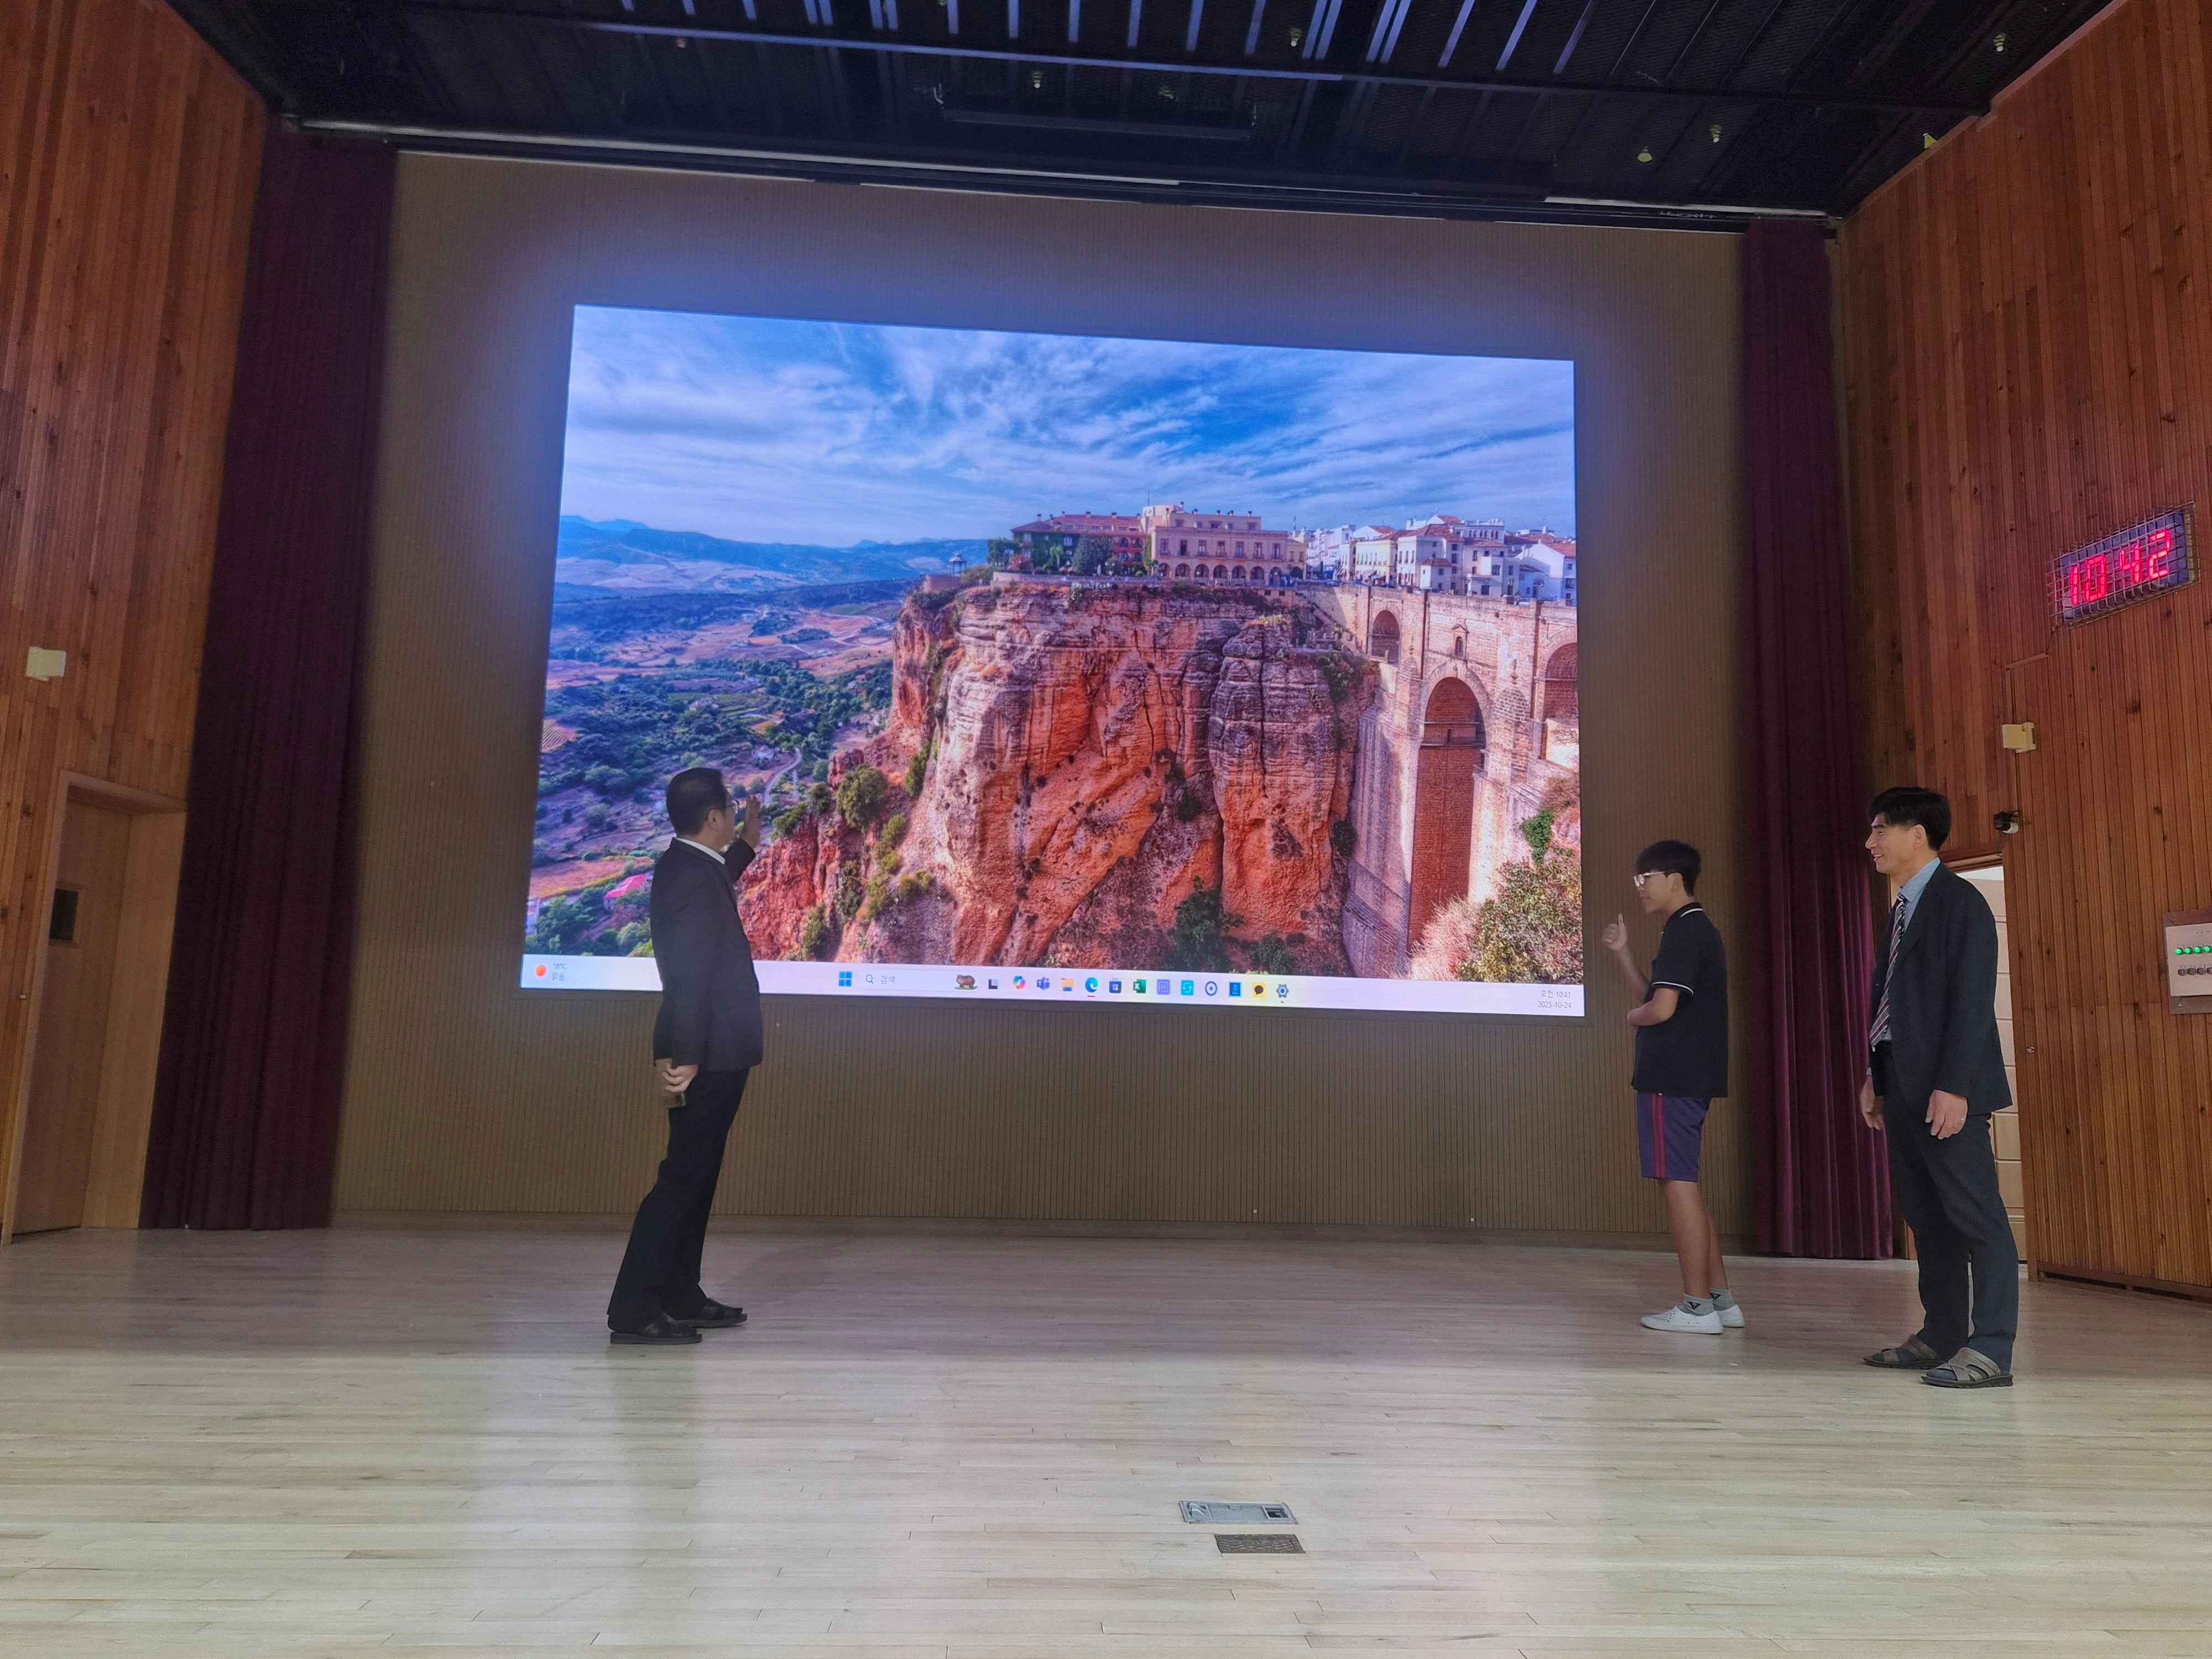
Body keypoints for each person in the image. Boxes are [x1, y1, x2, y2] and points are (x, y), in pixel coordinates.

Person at [1856, 786, 2018, 1389]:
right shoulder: (1903, 908)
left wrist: (1954, 1087)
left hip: (1947, 1091)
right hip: (1902, 1083)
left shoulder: (1960, 903)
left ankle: (1991, 1348)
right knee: (1928, 1218)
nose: (1870, 842)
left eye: (1880, 829)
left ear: (1916, 834)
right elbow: (1896, 1002)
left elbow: (1972, 1004)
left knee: (1978, 1218)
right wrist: (1874, 1075)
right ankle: (1942, 1334)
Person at [606, 768, 765, 1347]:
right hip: (707, 1052)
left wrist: (749, 839)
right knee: (681, 1180)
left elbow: (723, 872)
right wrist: (688, 1055)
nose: (733, 820)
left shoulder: (690, 865)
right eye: (731, 813)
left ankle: (679, 1293)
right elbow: (691, 975)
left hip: (715, 1048)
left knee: (698, 1174)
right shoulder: (692, 878)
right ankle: (633, 1308)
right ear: (713, 817)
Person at [1602, 840, 1738, 1335]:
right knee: (1684, 1184)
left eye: (1646, 878)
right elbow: (1656, 994)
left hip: (1672, 1078)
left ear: (1674, 880)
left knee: (1678, 1184)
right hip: (1688, 1077)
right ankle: (1721, 1301)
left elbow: (1658, 1010)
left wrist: (1630, 1018)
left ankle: (1697, 1308)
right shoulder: (1690, 929)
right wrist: (1624, 954)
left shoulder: (1686, 930)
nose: (1640, 888)